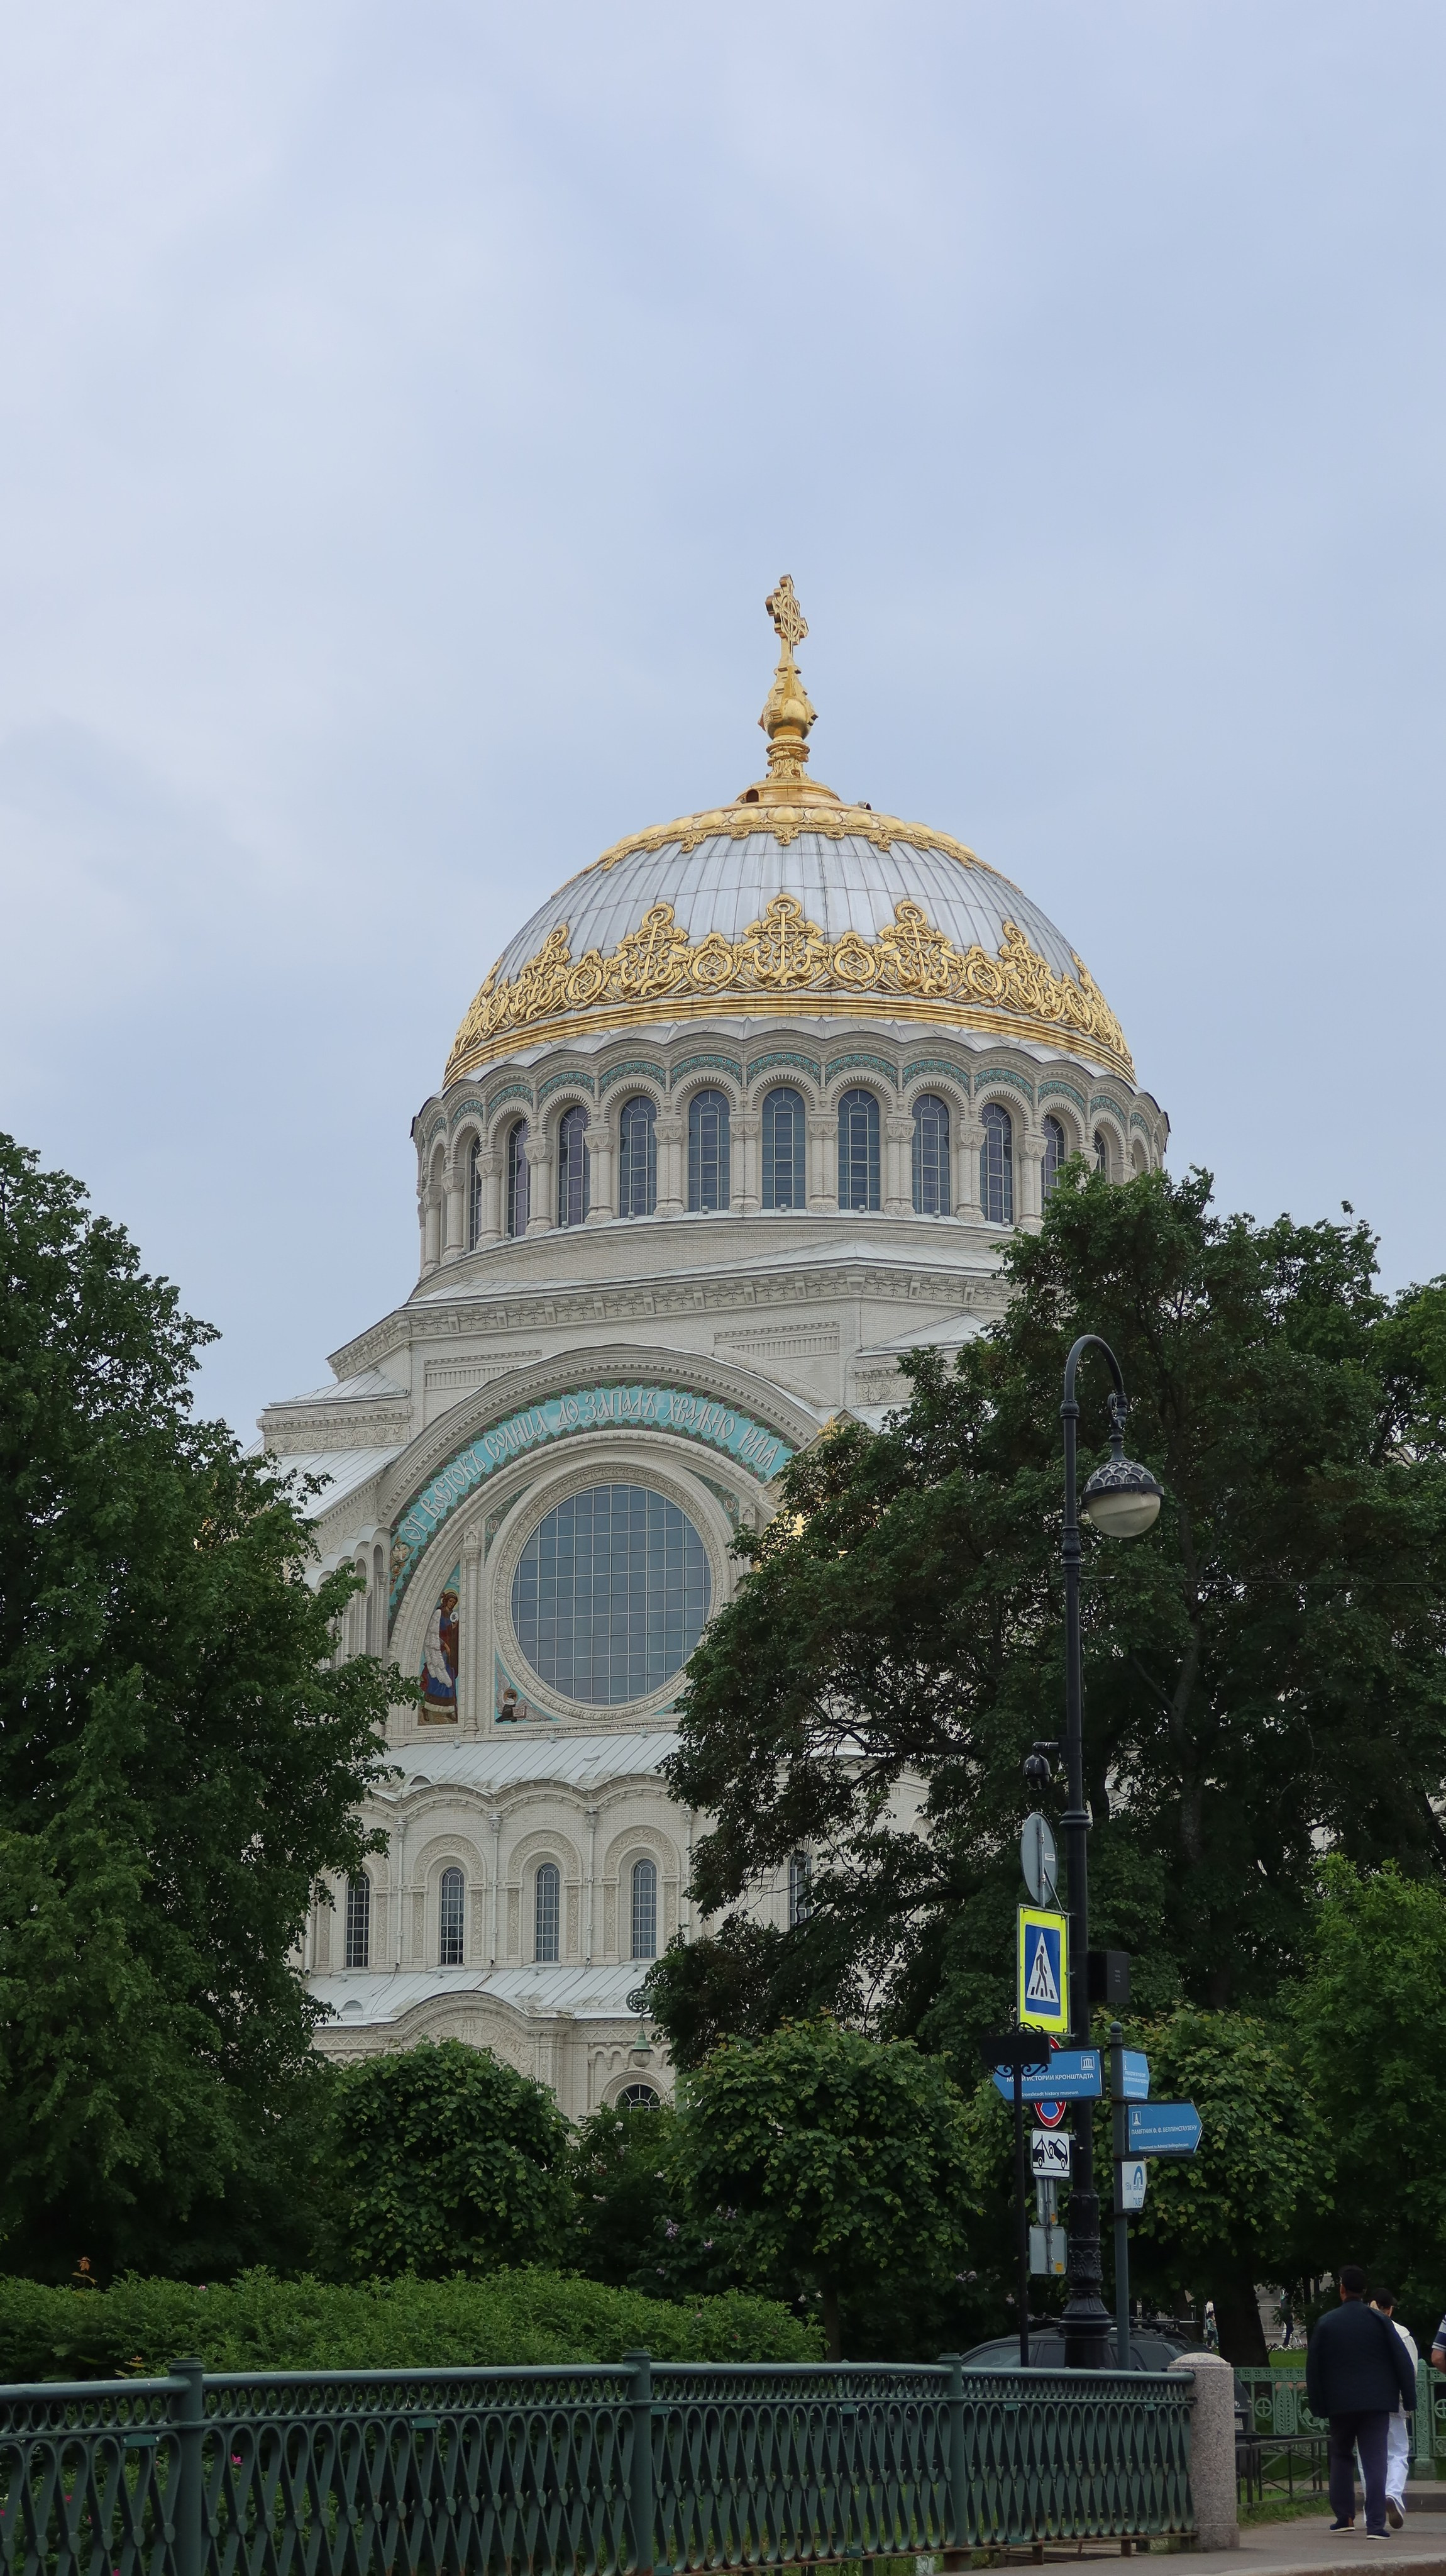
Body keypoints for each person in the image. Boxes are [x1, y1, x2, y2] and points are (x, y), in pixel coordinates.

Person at [1306, 2263, 1417, 2536]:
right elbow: (1402, 2361)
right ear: (1364, 2291)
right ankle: (1376, 2525)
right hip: (1377, 2403)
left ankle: (1344, 2517)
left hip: (1340, 2403)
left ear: (1342, 2289)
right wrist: (1410, 2399)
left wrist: (1319, 2404)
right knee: (1375, 2458)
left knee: (1342, 2455)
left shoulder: (1327, 2322)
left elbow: (1314, 2366)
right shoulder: (1380, 2321)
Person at [1372, 2291, 1418, 2529]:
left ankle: (1374, 2510)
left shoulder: (1361, 2331)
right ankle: (1393, 2495)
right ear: (1389, 2309)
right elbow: (1410, 2371)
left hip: (1366, 2403)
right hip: (1394, 2402)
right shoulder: (1402, 2334)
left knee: (1369, 2456)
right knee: (1398, 2451)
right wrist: (1407, 2402)